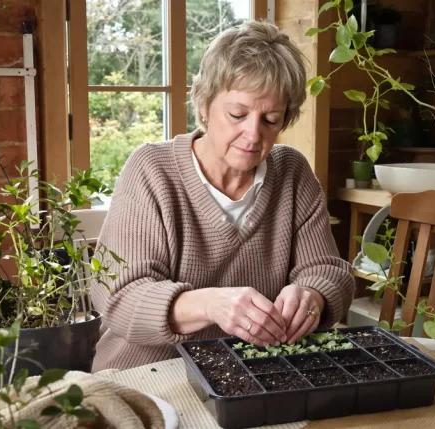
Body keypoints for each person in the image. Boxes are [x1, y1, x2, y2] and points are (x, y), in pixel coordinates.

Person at [90, 20, 354, 371]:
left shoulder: (292, 172)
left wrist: (312, 296)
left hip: (254, 373)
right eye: (237, 114)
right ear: (204, 103)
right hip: (148, 373)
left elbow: (328, 271)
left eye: (271, 120)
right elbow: (119, 299)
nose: (253, 134)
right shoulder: (151, 169)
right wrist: (210, 305)